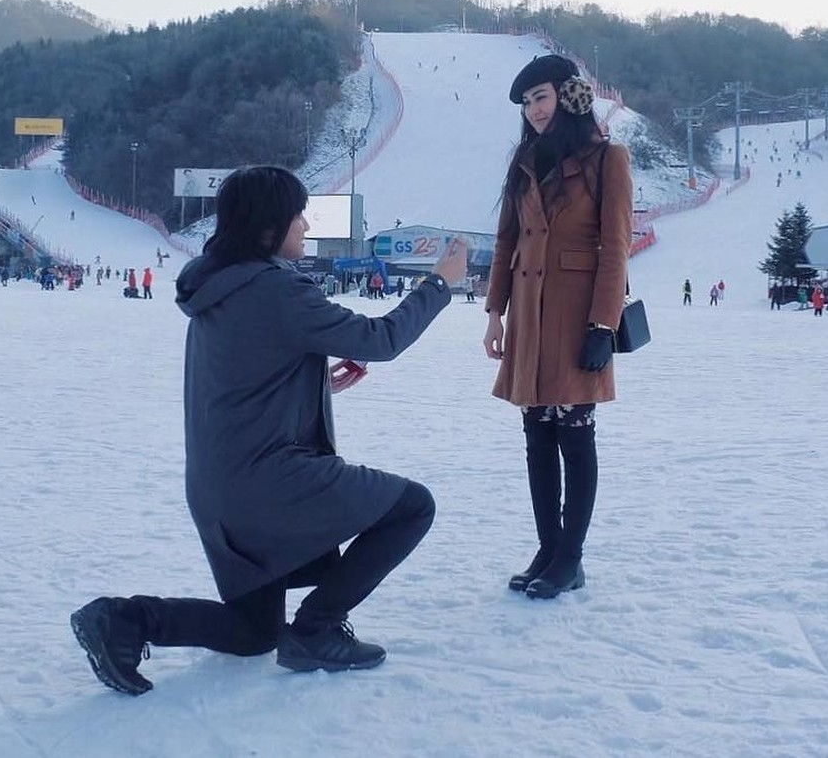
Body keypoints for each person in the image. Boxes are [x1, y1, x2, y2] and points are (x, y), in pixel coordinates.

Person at [70, 166, 468, 694]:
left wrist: (312, 382)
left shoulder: (217, 284)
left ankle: (125, 621)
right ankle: (318, 628)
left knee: (254, 632)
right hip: (267, 482)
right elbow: (381, 338)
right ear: (265, 228)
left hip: (219, 490)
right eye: (295, 215)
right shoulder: (275, 288)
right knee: (413, 506)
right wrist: (440, 283)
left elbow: (241, 378)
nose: (304, 224)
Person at [484, 55, 632, 600]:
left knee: (573, 431)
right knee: (536, 434)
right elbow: (506, 242)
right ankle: (547, 549)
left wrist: (602, 324)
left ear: (568, 96)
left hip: (576, 315)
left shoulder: (605, 159)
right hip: (527, 312)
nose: (534, 110)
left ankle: (570, 557)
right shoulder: (523, 160)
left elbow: (616, 247)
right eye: (526, 103)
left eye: (541, 97)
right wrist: (494, 314)